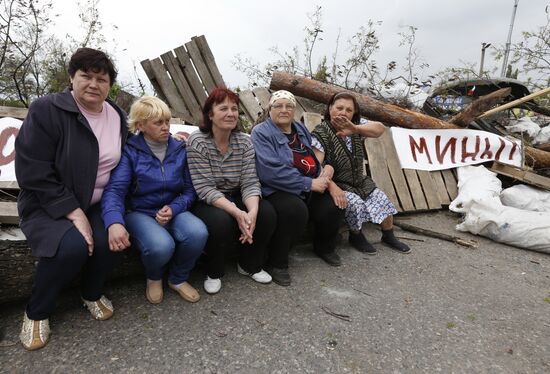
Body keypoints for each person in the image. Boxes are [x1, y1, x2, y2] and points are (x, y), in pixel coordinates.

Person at [15, 48, 128, 350]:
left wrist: (114, 208)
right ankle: (37, 311)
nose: (93, 84)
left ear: (110, 84)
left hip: (99, 201)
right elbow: (32, 170)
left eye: (101, 79)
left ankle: (90, 293)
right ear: (71, 78)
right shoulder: (46, 110)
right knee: (71, 247)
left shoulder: (116, 115)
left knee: (112, 240)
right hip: (47, 202)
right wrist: (73, 211)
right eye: (86, 76)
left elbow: (120, 165)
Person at [101, 96, 208, 305]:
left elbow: (189, 190)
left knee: (198, 232)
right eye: (158, 122)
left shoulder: (180, 149)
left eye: (167, 121)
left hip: (172, 207)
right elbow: (115, 190)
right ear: (140, 125)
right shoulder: (130, 152)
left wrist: (174, 208)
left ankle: (178, 278)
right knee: (161, 245)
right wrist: (113, 221)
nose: (166, 127)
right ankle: (154, 277)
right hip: (139, 211)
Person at [187, 87, 276, 295]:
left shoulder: (244, 141)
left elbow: (250, 181)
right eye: (223, 108)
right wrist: (237, 213)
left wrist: (251, 212)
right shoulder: (198, 141)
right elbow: (204, 187)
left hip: (237, 193)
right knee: (221, 221)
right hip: (208, 199)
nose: (230, 113)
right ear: (210, 114)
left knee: (266, 213)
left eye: (234, 109)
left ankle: (249, 265)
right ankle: (214, 271)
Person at [251, 90, 344, 287]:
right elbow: (269, 172)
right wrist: (309, 184)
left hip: (308, 182)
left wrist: (324, 172)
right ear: (270, 109)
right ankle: (277, 263)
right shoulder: (261, 133)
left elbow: (309, 157)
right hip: (277, 188)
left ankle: (324, 248)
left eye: (289, 106)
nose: (284, 110)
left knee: (334, 205)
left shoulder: (299, 128)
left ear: (294, 109)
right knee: (294, 211)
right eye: (278, 106)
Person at [310, 92, 411, 254]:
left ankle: (388, 235)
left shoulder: (356, 125)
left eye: (348, 110)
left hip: (359, 181)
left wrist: (355, 129)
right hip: (338, 183)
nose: (343, 113)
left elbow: (380, 129)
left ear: (353, 113)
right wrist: (332, 185)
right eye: (339, 108)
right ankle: (356, 235)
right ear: (330, 109)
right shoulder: (321, 133)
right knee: (354, 204)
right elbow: (315, 166)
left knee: (381, 198)